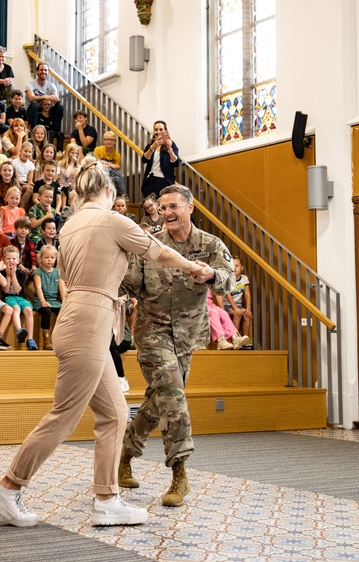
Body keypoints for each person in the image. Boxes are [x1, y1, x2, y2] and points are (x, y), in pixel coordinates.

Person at [0, 157, 213, 528]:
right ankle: (9, 487)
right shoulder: (111, 220)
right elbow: (161, 251)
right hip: (89, 321)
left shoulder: (71, 224)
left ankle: (107, 499)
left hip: (81, 317)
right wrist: (195, 267)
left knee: (114, 413)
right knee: (64, 415)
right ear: (109, 191)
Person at [119, 184, 236, 508]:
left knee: (161, 400)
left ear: (190, 207)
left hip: (187, 336)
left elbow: (230, 279)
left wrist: (212, 275)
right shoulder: (152, 245)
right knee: (173, 394)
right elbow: (130, 282)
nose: (167, 212)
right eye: (164, 207)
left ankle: (125, 455)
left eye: (174, 206)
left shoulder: (210, 245)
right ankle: (180, 474)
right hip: (152, 331)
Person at [141, 120, 180, 199]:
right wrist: (153, 147)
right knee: (149, 206)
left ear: (165, 131)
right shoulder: (150, 146)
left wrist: (170, 149)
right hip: (150, 181)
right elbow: (144, 159)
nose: (158, 132)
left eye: (161, 129)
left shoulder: (171, 144)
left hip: (164, 181)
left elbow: (175, 163)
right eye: (156, 129)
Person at [25, 62, 63, 130]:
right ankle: (33, 130)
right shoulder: (30, 84)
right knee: (35, 104)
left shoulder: (51, 86)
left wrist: (55, 99)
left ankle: (55, 132)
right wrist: (46, 97)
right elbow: (31, 98)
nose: (43, 72)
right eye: (41, 70)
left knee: (60, 106)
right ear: (37, 71)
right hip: (32, 109)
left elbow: (56, 99)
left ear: (48, 72)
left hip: (46, 108)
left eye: (45, 70)